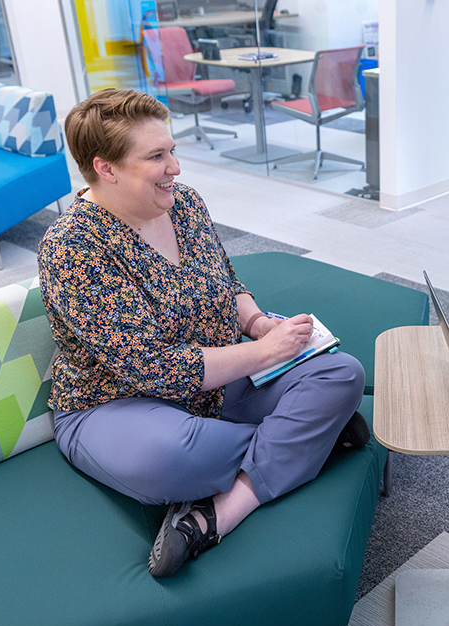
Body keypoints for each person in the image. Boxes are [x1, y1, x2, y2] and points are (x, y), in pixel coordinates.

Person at [38, 89, 367, 579]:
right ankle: (303, 440)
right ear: (105, 168)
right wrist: (262, 354)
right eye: (156, 156)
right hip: (114, 404)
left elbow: (226, 282)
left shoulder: (184, 203)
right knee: (170, 456)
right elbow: (153, 369)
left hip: (216, 381)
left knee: (341, 374)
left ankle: (223, 510)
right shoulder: (72, 249)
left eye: (171, 150)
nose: (175, 167)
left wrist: (256, 323)